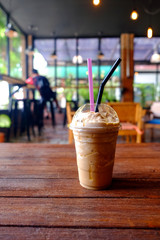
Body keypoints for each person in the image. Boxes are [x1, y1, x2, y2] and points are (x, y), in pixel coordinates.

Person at [29, 69, 60, 133]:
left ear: (33, 74)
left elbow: (38, 88)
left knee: (42, 101)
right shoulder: (43, 77)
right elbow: (48, 87)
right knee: (52, 97)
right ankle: (57, 107)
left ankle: (45, 113)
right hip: (50, 94)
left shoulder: (34, 79)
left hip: (43, 95)